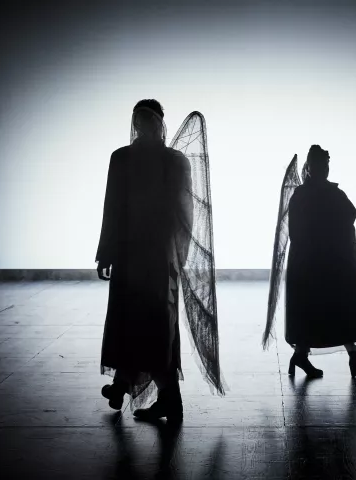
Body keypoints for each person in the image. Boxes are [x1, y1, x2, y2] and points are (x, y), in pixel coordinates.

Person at [96, 99, 222, 423]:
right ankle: (125, 385)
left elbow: (184, 209)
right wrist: (107, 251)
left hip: (152, 256)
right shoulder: (135, 159)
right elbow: (114, 208)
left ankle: (155, 394)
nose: (143, 124)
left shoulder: (159, 160)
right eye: (139, 118)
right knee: (140, 321)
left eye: (147, 118)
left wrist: (174, 252)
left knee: (151, 323)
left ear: (157, 122)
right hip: (140, 255)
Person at [283, 145, 356, 378]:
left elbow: (348, 215)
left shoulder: (310, 194)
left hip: (320, 263)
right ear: (310, 168)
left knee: (324, 311)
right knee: (333, 310)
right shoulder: (320, 194)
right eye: (321, 165)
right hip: (319, 264)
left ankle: (308, 356)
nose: (324, 169)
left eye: (326, 165)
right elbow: (347, 215)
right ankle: (351, 358)